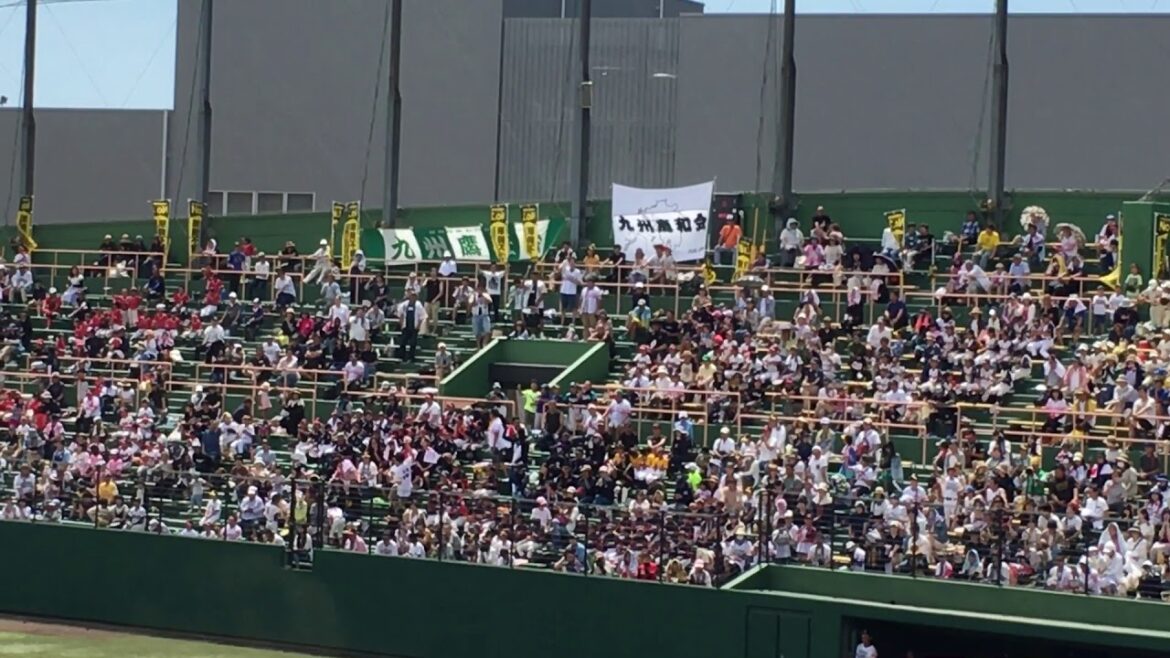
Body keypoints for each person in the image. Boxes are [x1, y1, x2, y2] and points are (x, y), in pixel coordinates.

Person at [396, 291, 427, 363]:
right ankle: (402, 357)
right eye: (412, 296)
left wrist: (418, 326)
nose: (413, 297)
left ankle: (411, 358)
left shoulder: (418, 305)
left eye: (414, 296)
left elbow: (422, 317)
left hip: (414, 327)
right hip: (405, 327)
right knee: (403, 342)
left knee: (413, 343)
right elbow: (400, 314)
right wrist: (401, 324)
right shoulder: (404, 305)